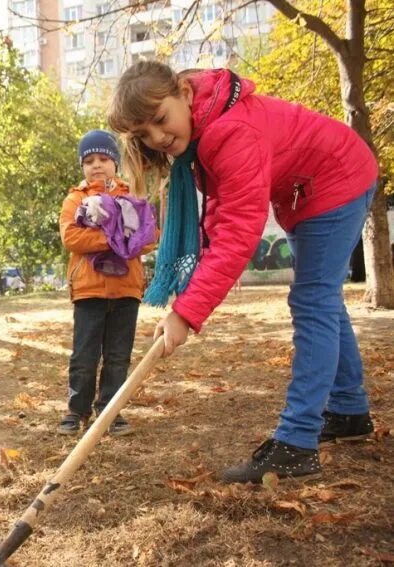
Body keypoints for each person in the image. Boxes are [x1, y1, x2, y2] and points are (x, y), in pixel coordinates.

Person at [108, 60, 378, 483]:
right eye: (144, 134)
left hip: (337, 179)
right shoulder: (205, 128)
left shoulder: (229, 132)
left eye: (160, 120)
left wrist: (187, 311)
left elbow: (238, 232)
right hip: (311, 188)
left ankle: (297, 441)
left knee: (313, 300)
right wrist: (190, 297)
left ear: (184, 91)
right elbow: (222, 210)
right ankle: (348, 410)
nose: (159, 139)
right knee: (322, 299)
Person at [58, 130, 157, 437]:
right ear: (82, 166)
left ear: (115, 162)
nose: (96, 165)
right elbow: (72, 237)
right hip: (89, 291)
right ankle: (77, 410)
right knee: (85, 355)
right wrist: (116, 239)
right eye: (89, 161)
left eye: (103, 158)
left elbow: (148, 237)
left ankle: (110, 411)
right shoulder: (76, 200)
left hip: (127, 290)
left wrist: (125, 240)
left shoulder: (132, 198)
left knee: (118, 355)